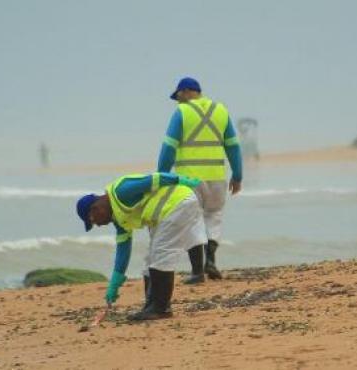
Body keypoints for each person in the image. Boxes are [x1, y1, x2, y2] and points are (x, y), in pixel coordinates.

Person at [76, 172, 206, 321]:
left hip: (178, 202)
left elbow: (154, 179)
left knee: (162, 253)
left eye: (93, 221)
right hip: (165, 213)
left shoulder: (121, 191)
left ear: (95, 208)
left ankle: (161, 308)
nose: (98, 225)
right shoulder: (119, 218)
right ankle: (151, 306)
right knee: (151, 259)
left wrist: (180, 179)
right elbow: (123, 249)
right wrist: (115, 282)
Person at [157, 77, 243, 284]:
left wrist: (161, 176)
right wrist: (237, 175)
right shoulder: (220, 110)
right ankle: (210, 261)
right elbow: (232, 145)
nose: (178, 101)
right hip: (216, 177)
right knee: (214, 216)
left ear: (187, 91)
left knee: (191, 221)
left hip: (189, 180)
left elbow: (169, 147)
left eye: (178, 96)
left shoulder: (182, 112)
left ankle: (197, 272)